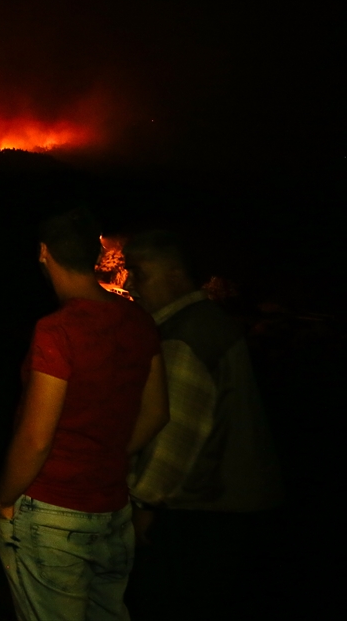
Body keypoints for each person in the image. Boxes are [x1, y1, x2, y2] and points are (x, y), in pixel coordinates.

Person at [0, 207, 169, 621]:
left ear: (43, 253)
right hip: (112, 508)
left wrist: (3, 497)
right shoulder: (139, 321)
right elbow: (157, 412)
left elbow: (36, 438)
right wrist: (106, 456)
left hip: (53, 512)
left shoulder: (58, 330)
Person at [122, 230, 283, 620]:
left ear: (176, 274)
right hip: (232, 509)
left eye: (139, 273)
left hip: (203, 514)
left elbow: (174, 436)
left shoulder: (185, 336)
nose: (129, 285)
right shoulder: (209, 322)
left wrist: (142, 502)